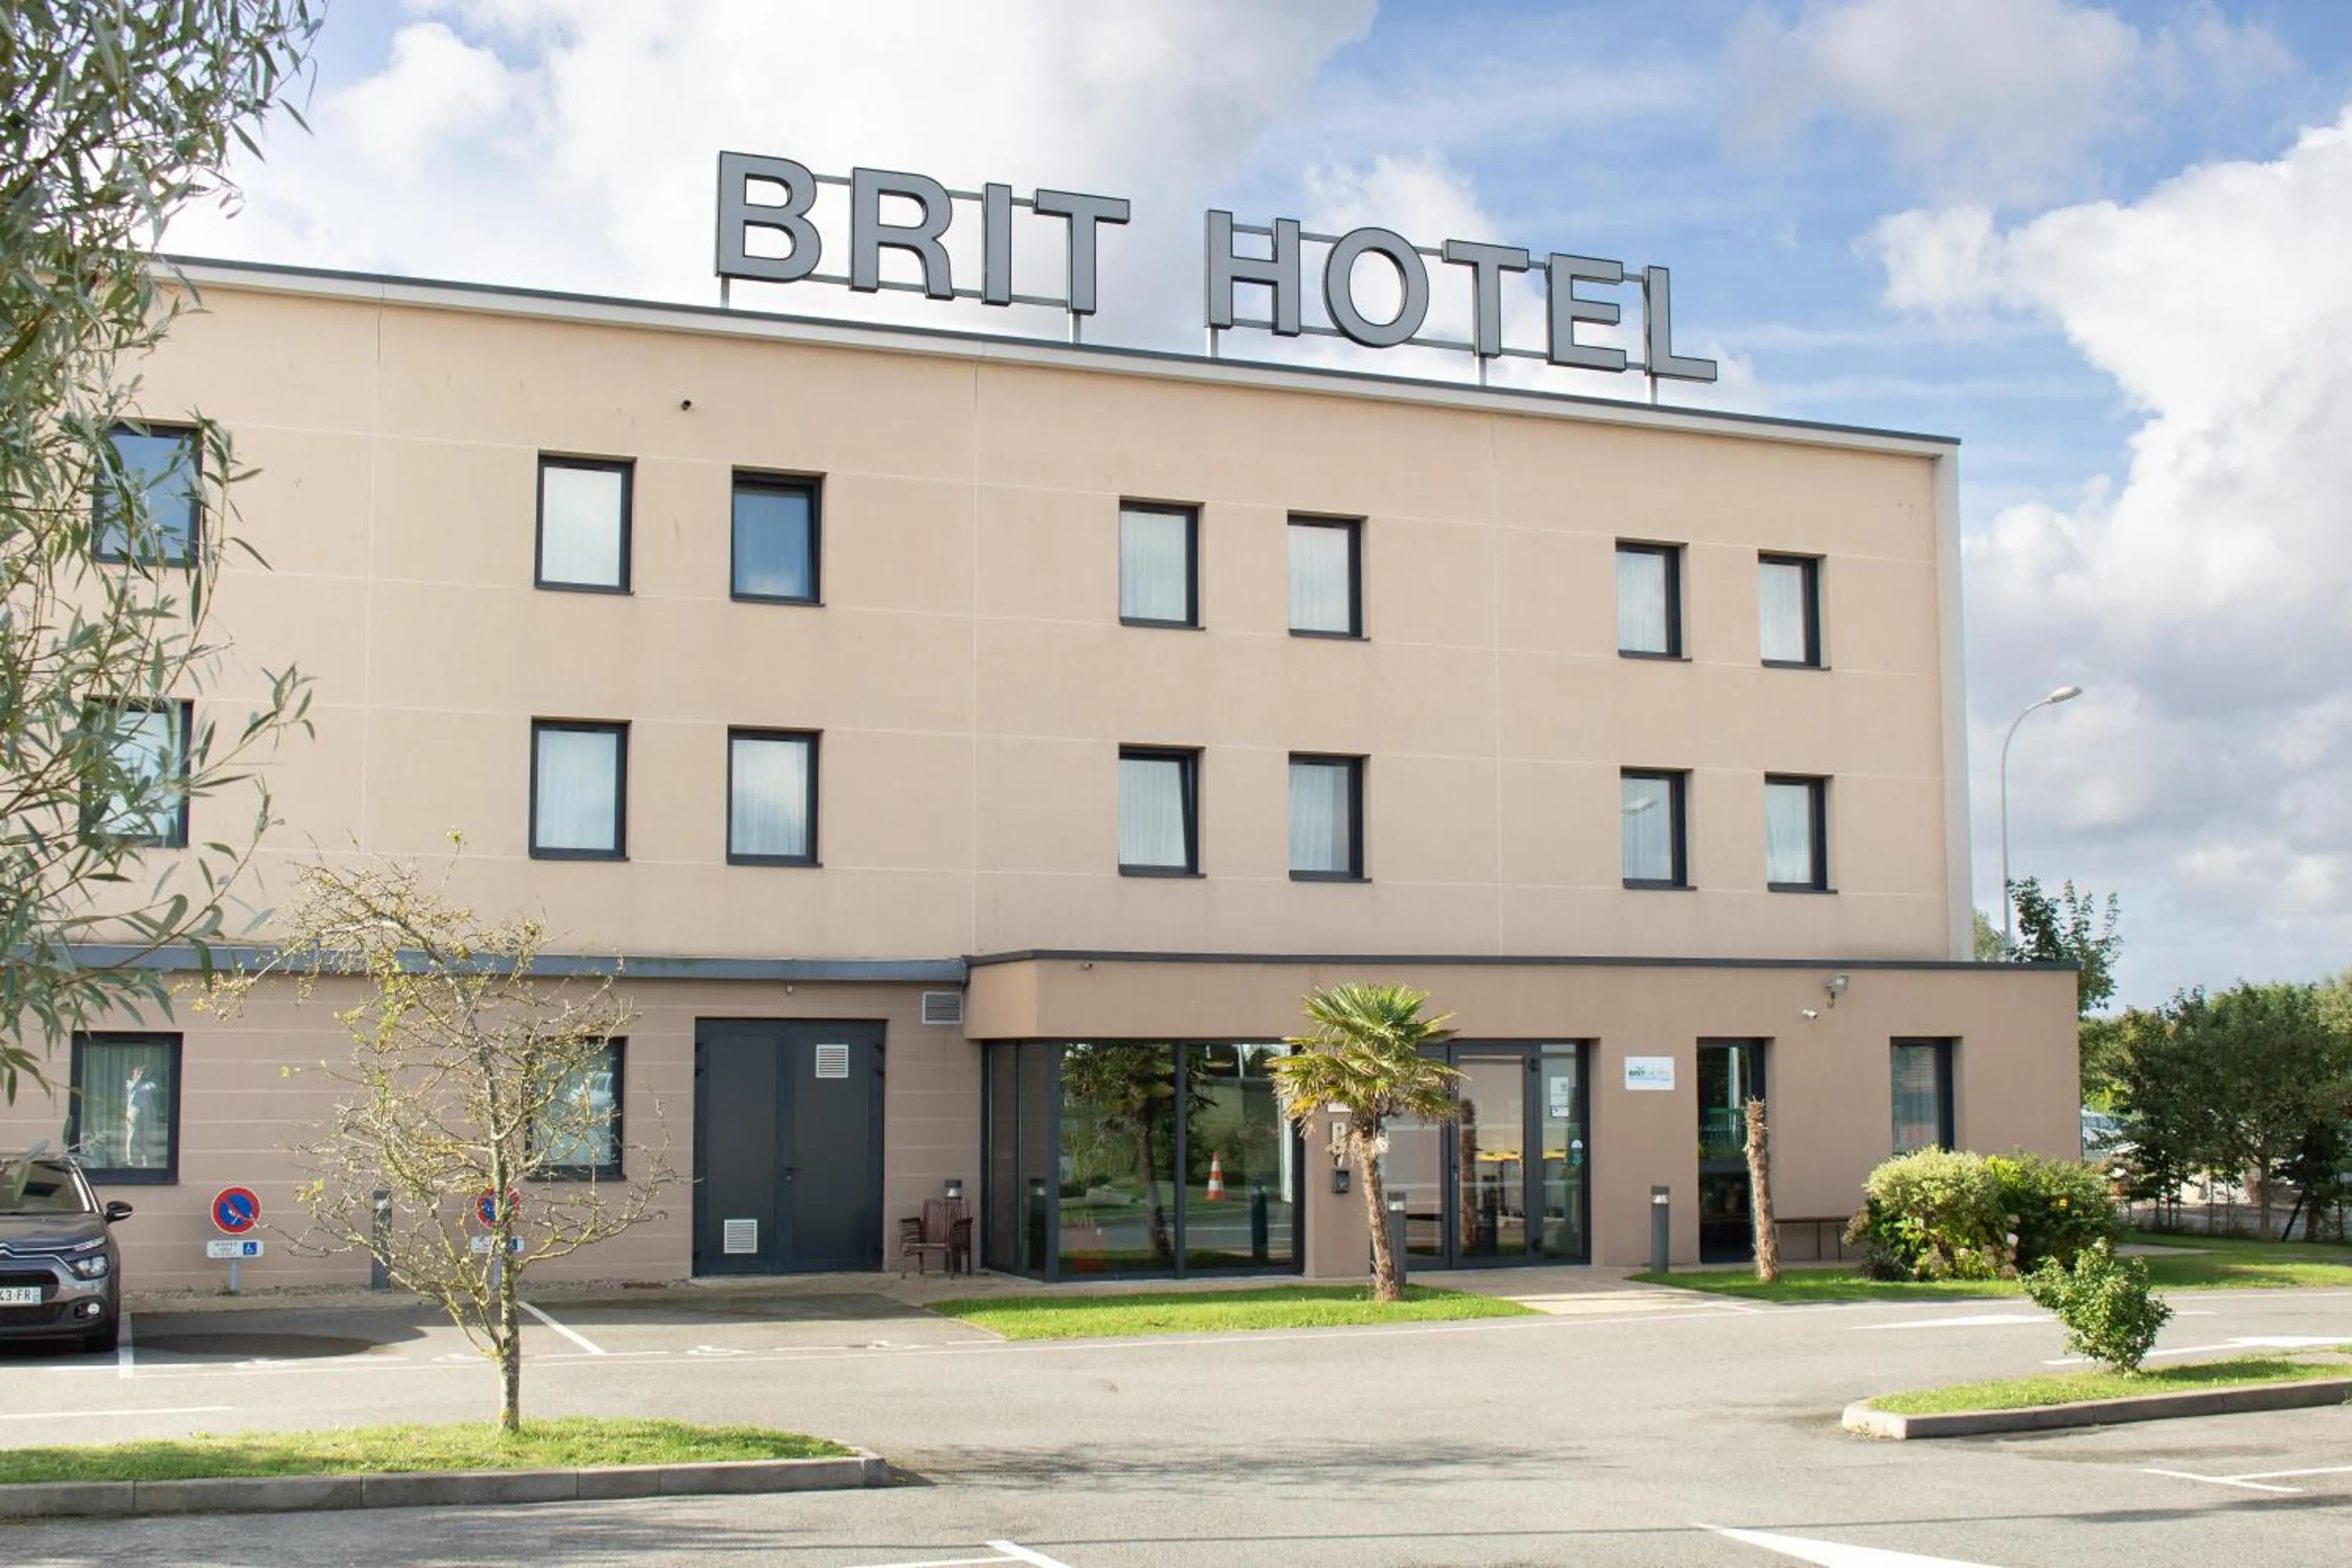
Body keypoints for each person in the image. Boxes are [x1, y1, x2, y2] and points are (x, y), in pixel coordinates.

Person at [122, 1062, 161, 1168]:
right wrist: (138, 1078)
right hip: (133, 1110)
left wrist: (149, 1075)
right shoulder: (129, 1083)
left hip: (145, 1110)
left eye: (141, 1073)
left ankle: (145, 1159)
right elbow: (132, 1089)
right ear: (133, 1074)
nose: (140, 1075)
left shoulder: (147, 1084)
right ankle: (130, 1159)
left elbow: (155, 1087)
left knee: (145, 1135)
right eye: (137, 1073)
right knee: (132, 1134)